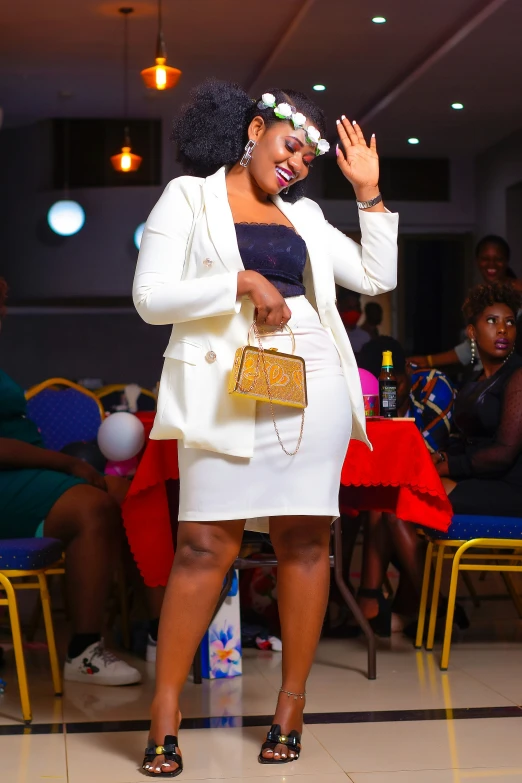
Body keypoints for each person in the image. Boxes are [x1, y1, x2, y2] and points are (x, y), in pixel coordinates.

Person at [133, 79, 398, 776]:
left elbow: (376, 275)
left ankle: (291, 703)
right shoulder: (187, 198)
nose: (300, 161)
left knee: (305, 539)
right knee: (202, 545)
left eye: (311, 156)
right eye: (292, 144)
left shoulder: (307, 215)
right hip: (222, 381)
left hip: (310, 380)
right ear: (254, 129)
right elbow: (150, 297)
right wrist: (242, 282)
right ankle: (165, 708)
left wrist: (368, 194)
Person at [0, 278, 141, 686]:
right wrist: (66, 464)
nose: (4, 311)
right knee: (92, 508)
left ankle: (149, 628)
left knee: (134, 496)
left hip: (22, 477)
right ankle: (84, 652)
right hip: (7, 481)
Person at [349, 337, 456, 635]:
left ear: (408, 372)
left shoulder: (435, 386)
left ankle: (373, 599)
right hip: (403, 494)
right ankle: (360, 598)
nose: (388, 393)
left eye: (394, 385)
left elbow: (420, 461)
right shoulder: (369, 396)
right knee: (368, 502)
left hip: (443, 480)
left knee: (385, 503)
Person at [433, 282, 522, 516]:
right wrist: (442, 456)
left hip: (510, 488)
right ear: (472, 332)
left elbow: (503, 453)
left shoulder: (518, 376)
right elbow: (469, 441)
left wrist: (447, 466)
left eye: (510, 322)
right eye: (492, 321)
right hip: (480, 478)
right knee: (396, 497)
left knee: (412, 498)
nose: (502, 329)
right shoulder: (476, 380)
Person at [407, 236, 522, 370]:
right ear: (477, 261)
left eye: (498, 259)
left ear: (506, 262)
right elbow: (470, 348)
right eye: (485, 259)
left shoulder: (518, 293)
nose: (492, 264)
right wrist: (428, 361)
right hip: (484, 375)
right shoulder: (480, 296)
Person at [337, 287, 371, 353]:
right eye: (349, 308)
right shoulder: (332, 335)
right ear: (340, 308)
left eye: (356, 307)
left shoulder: (365, 337)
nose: (354, 312)